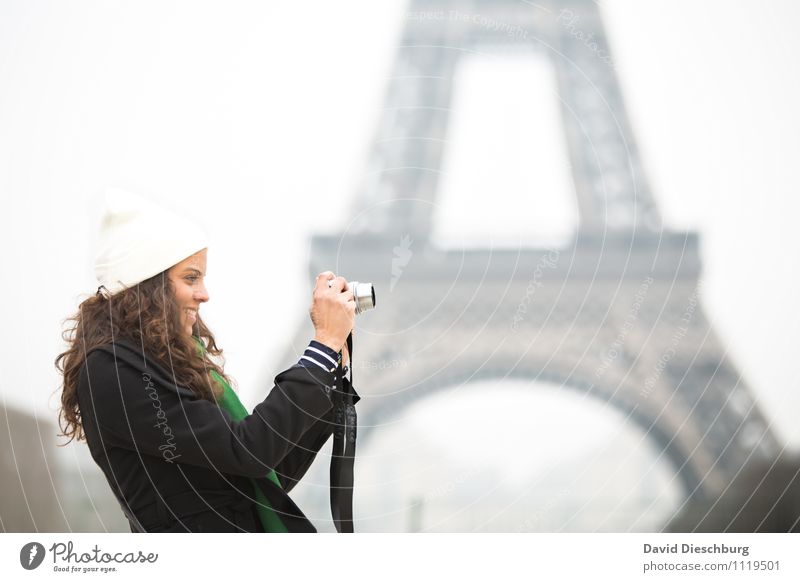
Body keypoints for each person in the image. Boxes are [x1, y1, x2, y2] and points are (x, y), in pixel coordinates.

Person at [55, 188, 359, 532]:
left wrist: (329, 369)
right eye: (190, 277)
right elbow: (250, 450)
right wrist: (321, 348)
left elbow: (261, 476)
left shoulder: (166, 365)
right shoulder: (111, 371)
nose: (204, 293)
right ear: (147, 284)